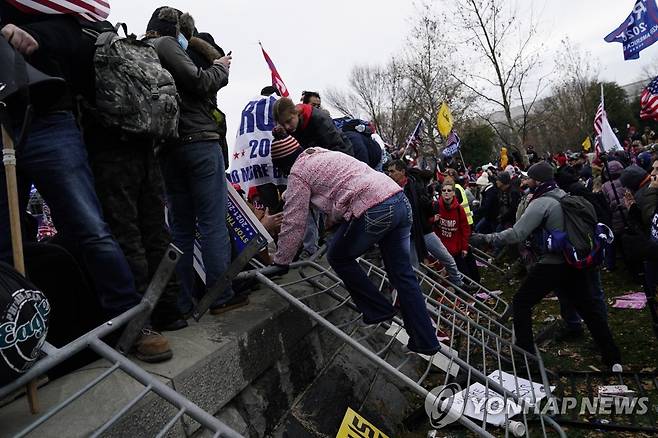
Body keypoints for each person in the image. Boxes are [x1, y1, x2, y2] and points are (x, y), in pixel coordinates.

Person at [0, 4, 172, 362]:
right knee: (5, 243)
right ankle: (19, 342)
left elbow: (75, 40)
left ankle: (130, 321)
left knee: (90, 228)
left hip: (47, 117)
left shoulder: (42, 9)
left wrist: (33, 36)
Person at [270, 136, 440, 355]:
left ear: (283, 164)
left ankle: (378, 309)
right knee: (403, 275)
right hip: (398, 200)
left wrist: (282, 261)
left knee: (338, 255)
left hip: (375, 207)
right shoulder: (321, 153)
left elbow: (294, 222)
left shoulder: (298, 172)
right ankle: (426, 340)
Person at [470, 161, 621, 368]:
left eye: (529, 178)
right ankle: (612, 356)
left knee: (521, 302)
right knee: (588, 308)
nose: (525, 181)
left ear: (538, 180)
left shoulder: (541, 202)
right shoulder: (561, 194)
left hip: (553, 263)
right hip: (573, 261)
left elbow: (517, 233)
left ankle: (526, 357)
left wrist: (485, 239)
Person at [145, 7, 239, 316]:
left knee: (181, 230)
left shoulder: (141, 53)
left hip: (167, 149)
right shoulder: (166, 44)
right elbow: (198, 81)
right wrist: (221, 67)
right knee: (212, 223)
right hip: (197, 141)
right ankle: (221, 297)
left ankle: (184, 302)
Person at [386, 161, 476, 292]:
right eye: (388, 171)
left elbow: (428, 206)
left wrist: (429, 207)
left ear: (402, 172)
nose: (390, 174)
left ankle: (459, 284)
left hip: (424, 230)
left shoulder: (415, 186)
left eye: (392, 171)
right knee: (414, 268)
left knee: (448, 259)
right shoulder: (391, 190)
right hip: (408, 234)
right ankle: (411, 296)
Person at [272, 97, 353, 156]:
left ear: (296, 112)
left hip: (342, 157)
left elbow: (338, 149)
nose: (287, 127)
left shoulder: (320, 119)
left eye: (289, 121)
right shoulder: (288, 129)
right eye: (282, 124)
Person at [433, 181, 480, 282]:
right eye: (444, 190)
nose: (446, 193)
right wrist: (433, 220)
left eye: (449, 190)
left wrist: (464, 248)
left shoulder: (459, 209)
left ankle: (472, 291)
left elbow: (465, 230)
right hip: (443, 249)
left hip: (457, 248)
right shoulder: (436, 206)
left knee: (466, 274)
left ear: (454, 193)